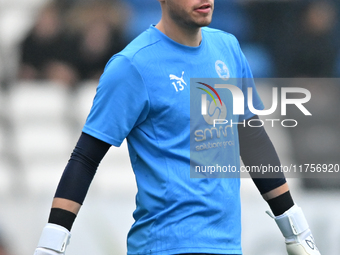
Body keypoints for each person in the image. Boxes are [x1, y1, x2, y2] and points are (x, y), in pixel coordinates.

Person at [34, 0, 321, 254]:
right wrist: (52, 243)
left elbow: (252, 138)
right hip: (164, 246)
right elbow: (85, 158)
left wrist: (295, 227)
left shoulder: (228, 49)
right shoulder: (132, 65)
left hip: (228, 246)